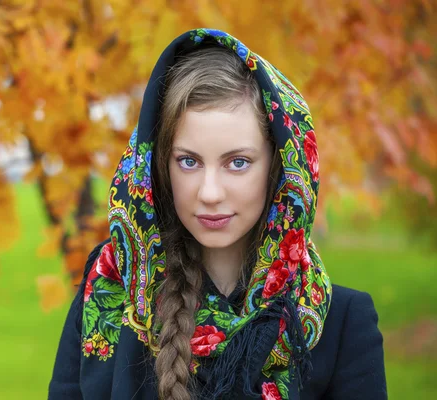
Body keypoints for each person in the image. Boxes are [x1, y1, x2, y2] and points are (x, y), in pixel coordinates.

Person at [48, 29, 387, 400]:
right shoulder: (110, 290)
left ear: (279, 169)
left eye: (237, 162)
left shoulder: (341, 323)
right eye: (188, 161)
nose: (209, 193)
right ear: (160, 166)